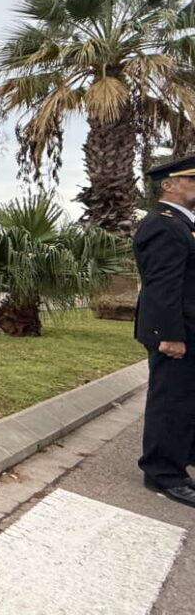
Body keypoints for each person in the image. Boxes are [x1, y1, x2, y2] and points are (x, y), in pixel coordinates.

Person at [134, 154, 195, 508]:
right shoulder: (163, 224)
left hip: (187, 328)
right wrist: (169, 334)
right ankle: (162, 473)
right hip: (175, 332)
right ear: (169, 185)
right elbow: (162, 286)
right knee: (171, 401)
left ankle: (181, 458)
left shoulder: (184, 224)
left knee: (187, 400)